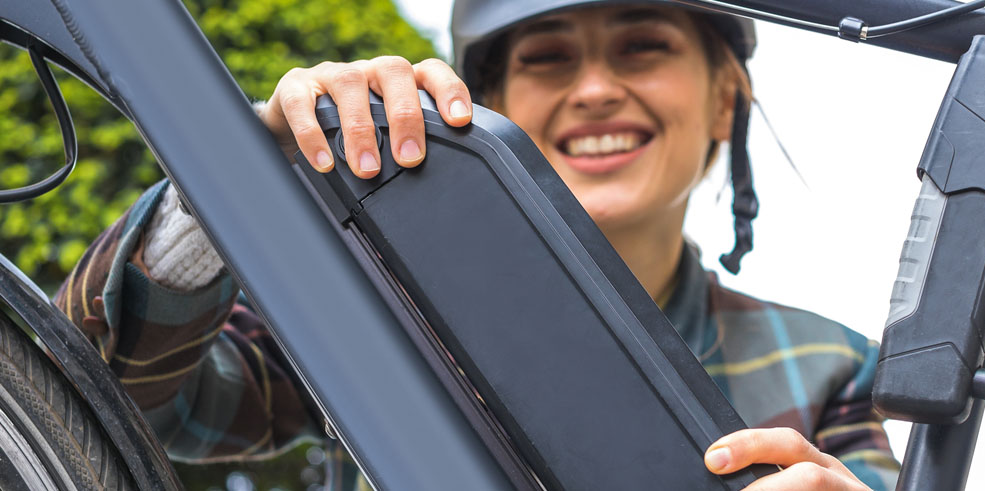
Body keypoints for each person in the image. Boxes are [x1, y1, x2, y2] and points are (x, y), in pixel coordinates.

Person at [55, 1, 900, 489]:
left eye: (644, 46)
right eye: (548, 58)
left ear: (726, 100)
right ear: (481, 101)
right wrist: (235, 182)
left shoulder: (831, 367)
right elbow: (111, 396)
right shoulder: (376, 305)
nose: (597, 89)